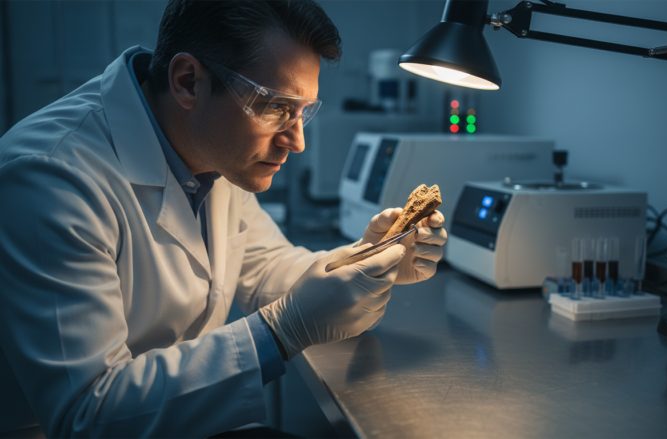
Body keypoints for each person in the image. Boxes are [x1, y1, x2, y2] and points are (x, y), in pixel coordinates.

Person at [0, 0, 447, 437]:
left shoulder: (212, 151)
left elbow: (267, 267)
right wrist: (280, 332)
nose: (297, 142)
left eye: (303, 112)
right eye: (276, 107)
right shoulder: (52, 177)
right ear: (188, 81)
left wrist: (371, 261)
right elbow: (85, 414)